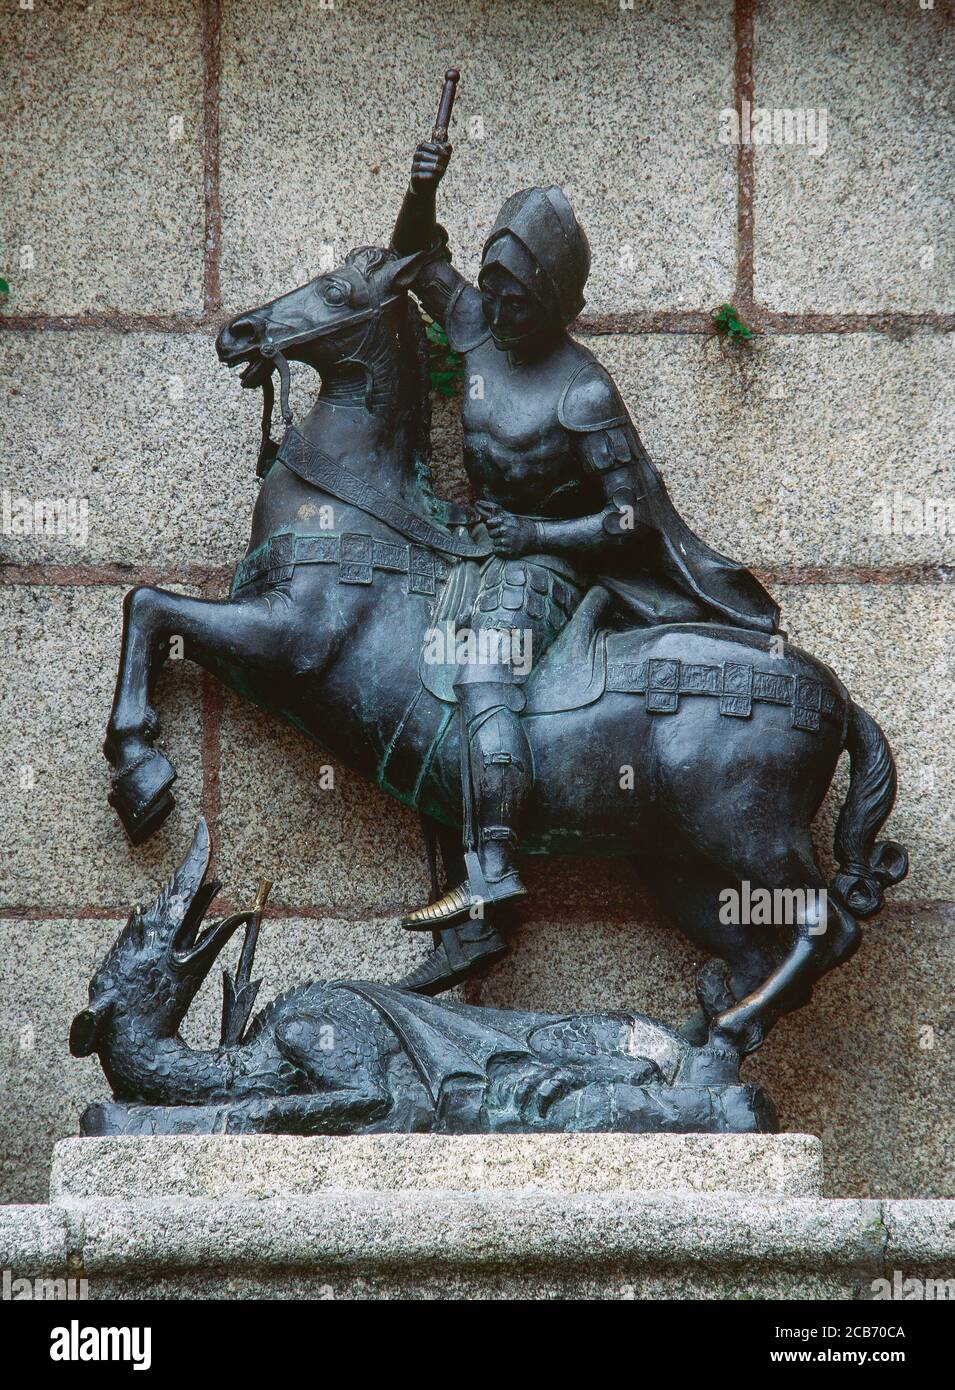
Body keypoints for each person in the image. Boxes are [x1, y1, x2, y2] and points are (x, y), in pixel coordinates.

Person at [393, 139, 779, 931]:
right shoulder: (471, 326)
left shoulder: (584, 393)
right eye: (493, 293)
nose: (498, 311)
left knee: (484, 671)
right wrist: (420, 192)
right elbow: (411, 259)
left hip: (550, 563)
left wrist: (535, 529)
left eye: (517, 302)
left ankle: (493, 867)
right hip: (470, 544)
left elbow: (629, 517)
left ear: (555, 300)